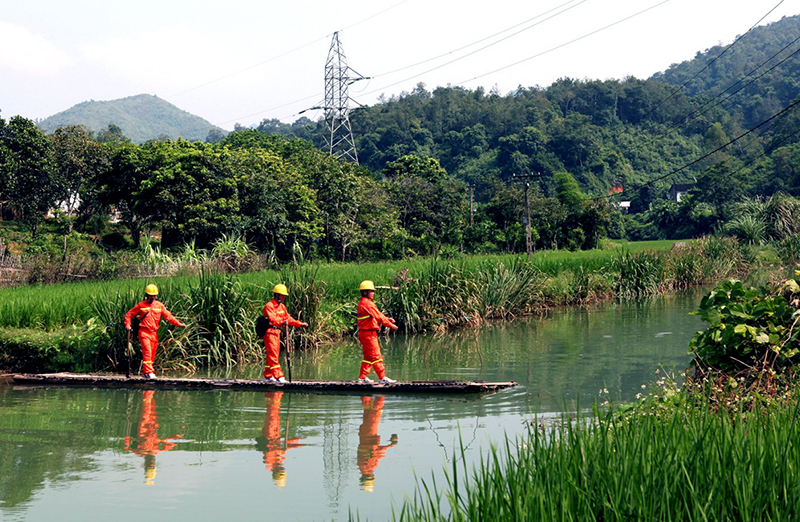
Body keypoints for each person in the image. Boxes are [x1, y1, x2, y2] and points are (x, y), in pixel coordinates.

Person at [124, 284, 186, 379]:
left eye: (154, 295)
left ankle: (146, 372)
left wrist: (178, 324)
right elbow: (129, 314)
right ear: (146, 295)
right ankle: (149, 372)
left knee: (152, 352)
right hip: (144, 332)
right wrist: (128, 325)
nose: (152, 297)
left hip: (154, 333)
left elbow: (168, 316)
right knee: (147, 351)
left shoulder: (160, 306)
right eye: (150, 295)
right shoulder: (141, 305)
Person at [123, 390, 182, 485]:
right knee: (151, 409)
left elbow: (126, 447)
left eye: (149, 465)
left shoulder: (140, 452)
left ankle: (147, 392)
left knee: (147, 410)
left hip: (144, 426)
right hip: (153, 426)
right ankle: (149, 392)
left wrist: (128, 439)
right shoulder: (156, 451)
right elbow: (169, 445)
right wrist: (176, 436)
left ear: (145, 464)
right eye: (152, 465)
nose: (151, 462)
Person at [255, 391, 304, 487]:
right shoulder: (278, 459)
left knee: (272, 415)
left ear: (276, 472)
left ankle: (272, 395)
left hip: (270, 435)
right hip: (274, 435)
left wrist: (291, 444)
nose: (282, 468)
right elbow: (284, 447)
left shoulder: (269, 461)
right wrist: (295, 443)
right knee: (274, 414)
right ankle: (274, 395)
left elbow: (276, 449)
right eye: (282, 471)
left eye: (280, 471)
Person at [262, 284, 308, 383]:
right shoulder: (269, 306)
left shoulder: (282, 307)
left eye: (284, 296)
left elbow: (288, 318)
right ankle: (279, 377)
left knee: (273, 354)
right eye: (282, 295)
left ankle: (268, 375)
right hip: (270, 333)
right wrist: (282, 322)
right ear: (277, 295)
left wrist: (299, 324)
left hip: (277, 333)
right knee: (273, 355)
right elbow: (273, 319)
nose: (284, 297)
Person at [356, 280, 399, 384]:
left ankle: (362, 377)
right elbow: (379, 317)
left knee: (368, 357)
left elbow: (376, 316)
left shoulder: (364, 303)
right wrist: (391, 325)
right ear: (365, 292)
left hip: (365, 334)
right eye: (371, 291)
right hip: (368, 334)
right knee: (376, 356)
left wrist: (387, 319)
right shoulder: (367, 304)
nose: (373, 293)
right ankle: (382, 378)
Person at [357, 395, 398, 492]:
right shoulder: (360, 465)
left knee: (376, 413)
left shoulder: (370, 466)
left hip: (370, 433)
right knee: (367, 411)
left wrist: (392, 444)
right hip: (363, 434)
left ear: (370, 477)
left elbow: (378, 452)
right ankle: (365, 395)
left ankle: (380, 396)